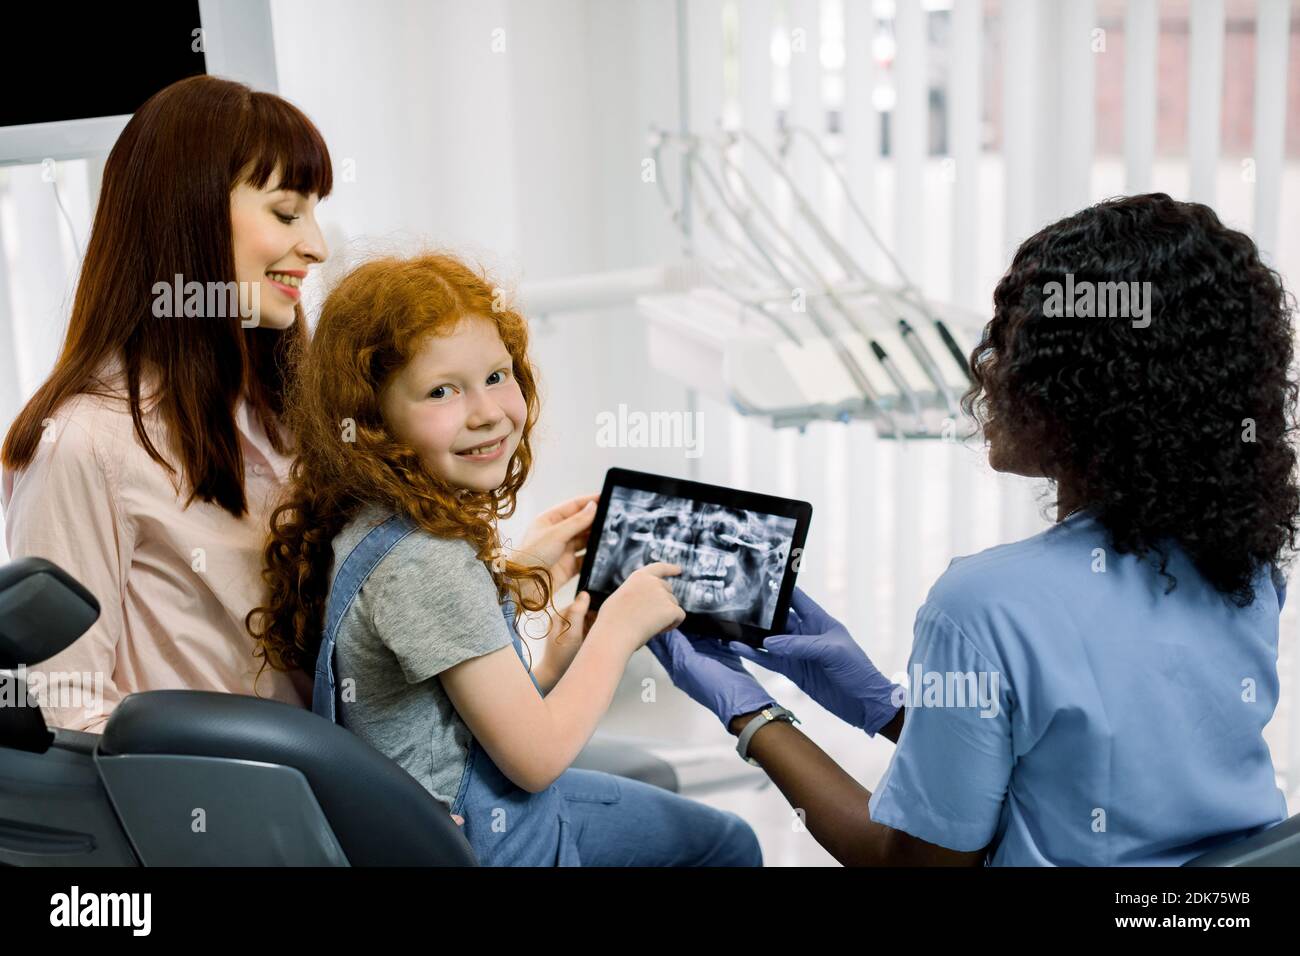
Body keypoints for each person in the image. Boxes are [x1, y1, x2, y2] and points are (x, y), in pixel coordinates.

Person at [651, 193, 1297, 866]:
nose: (986, 365)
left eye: (1013, 342)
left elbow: (910, 865)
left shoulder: (986, 604)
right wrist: (883, 705)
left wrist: (752, 716)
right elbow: (1065, 774)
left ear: (1088, 390)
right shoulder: (1242, 567)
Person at [248, 251, 763, 866]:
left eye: (497, 376)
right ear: (371, 419)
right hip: (488, 848)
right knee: (727, 848)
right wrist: (619, 631)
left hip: (441, 826)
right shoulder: (430, 564)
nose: (487, 411)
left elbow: (452, 723)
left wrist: (537, 629)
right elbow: (537, 759)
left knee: (720, 841)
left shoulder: (368, 523)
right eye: (442, 391)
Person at [1, 75, 332, 731]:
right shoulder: (86, 444)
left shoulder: (284, 417)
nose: (316, 245)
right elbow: (65, 719)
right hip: (230, 819)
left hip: (334, 793)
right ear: (194, 214)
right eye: (288, 213)